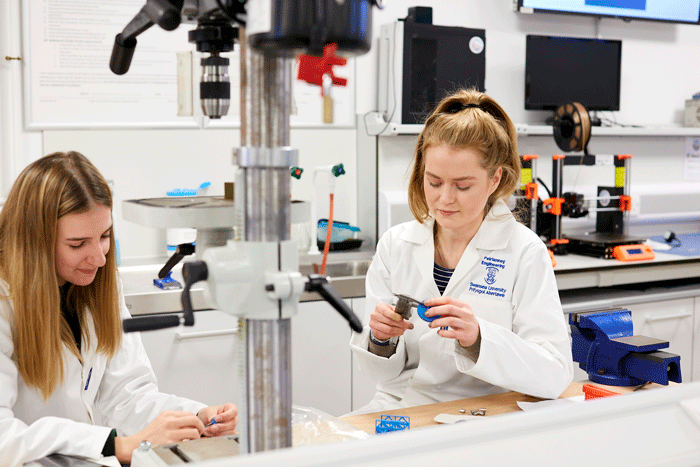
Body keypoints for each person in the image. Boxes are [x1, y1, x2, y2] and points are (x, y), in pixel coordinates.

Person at [0, 151, 238, 465]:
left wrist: (194, 418)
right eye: (78, 244)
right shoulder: (5, 302)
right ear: (35, 241)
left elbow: (126, 395)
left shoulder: (97, 284)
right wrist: (116, 444)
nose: (99, 258)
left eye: (105, 236)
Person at [349, 89, 573, 414]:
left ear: (495, 179)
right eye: (434, 182)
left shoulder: (524, 252)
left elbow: (554, 374)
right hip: (404, 406)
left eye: (462, 186)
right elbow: (380, 374)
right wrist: (380, 340)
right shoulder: (396, 245)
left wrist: (479, 337)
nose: (445, 199)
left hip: (489, 411)